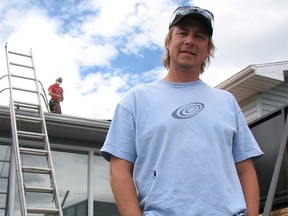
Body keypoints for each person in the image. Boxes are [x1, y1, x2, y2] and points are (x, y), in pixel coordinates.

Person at [100, 5, 263, 216]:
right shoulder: (135, 100)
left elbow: (245, 169)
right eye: (183, 33)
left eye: (199, 36)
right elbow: (119, 170)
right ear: (168, 43)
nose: (190, 41)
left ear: (208, 50)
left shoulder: (227, 102)